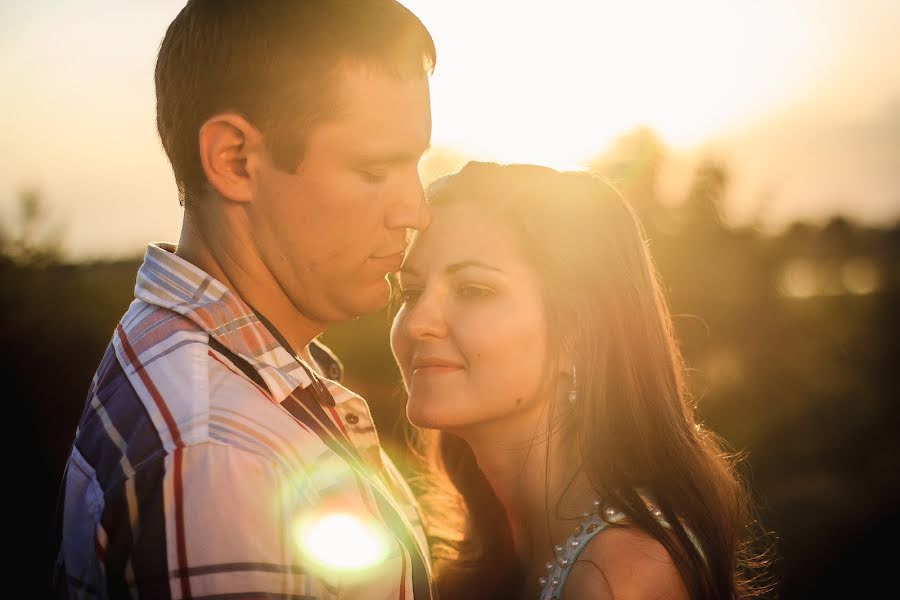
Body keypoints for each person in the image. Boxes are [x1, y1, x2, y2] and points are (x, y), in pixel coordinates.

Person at [55, 1, 436, 598]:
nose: (415, 211)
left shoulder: (222, 372)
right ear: (234, 161)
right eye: (373, 171)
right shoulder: (219, 458)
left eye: (415, 165)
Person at [391, 162, 769, 599]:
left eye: (474, 290)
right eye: (410, 292)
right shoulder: (487, 543)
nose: (418, 321)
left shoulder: (626, 575)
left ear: (577, 337)